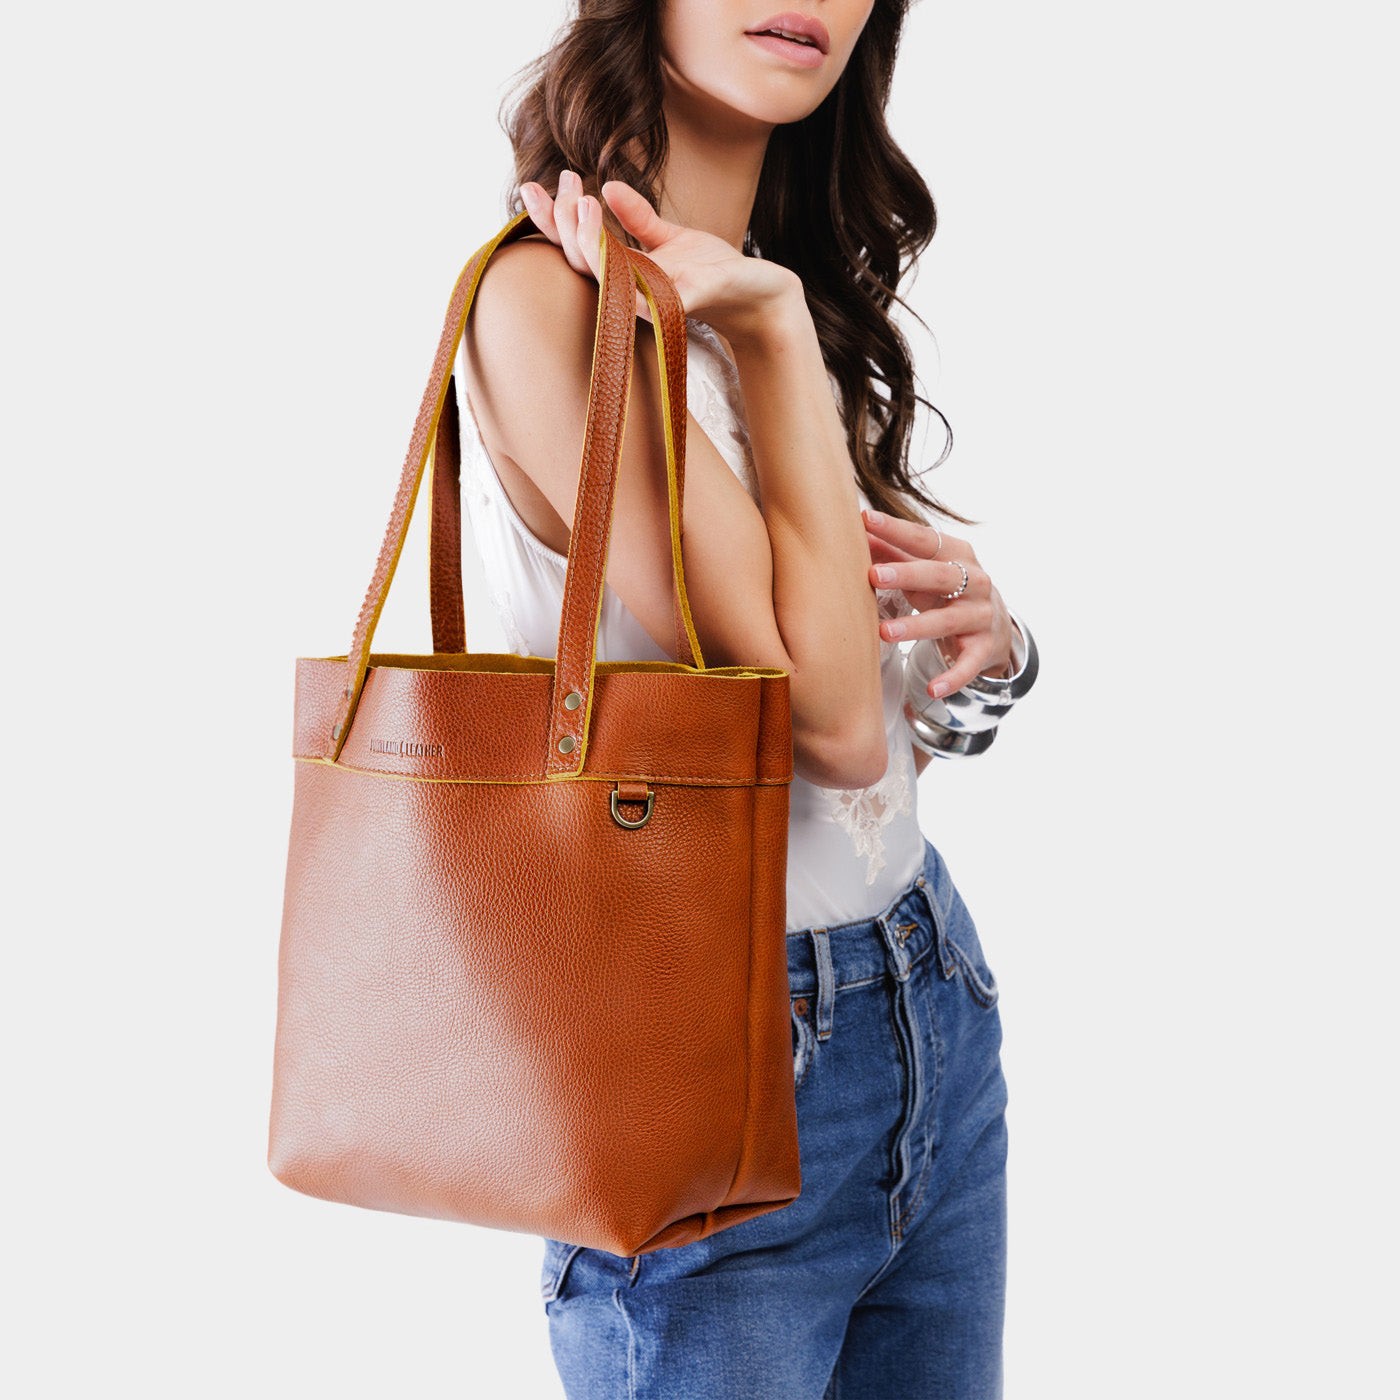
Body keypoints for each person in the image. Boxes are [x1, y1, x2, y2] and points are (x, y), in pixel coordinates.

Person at [457, 3, 1021, 1394]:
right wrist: (766, 336)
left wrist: (990, 658)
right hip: (698, 1066)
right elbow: (821, 726)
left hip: (926, 1002)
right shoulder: (550, 304)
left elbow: (873, 730)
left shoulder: (779, 279)